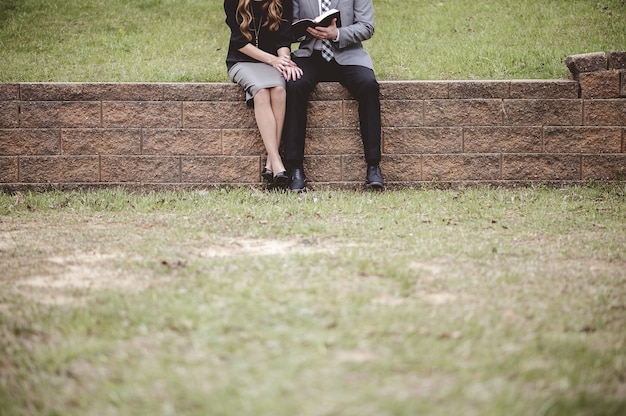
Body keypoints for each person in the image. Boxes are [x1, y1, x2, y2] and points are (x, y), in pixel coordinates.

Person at [282, 0, 384, 192]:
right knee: (294, 86)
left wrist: (336, 34)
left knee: (368, 85)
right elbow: (290, 28)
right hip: (310, 54)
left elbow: (367, 27)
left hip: (348, 55)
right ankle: (294, 168)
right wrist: (305, 30)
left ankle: (374, 166)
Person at [224, 0, 303, 187]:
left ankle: (270, 164)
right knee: (260, 92)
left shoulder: (283, 1)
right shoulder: (233, 1)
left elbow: (284, 39)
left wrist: (285, 61)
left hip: (273, 61)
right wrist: (273, 60)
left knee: (279, 91)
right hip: (241, 61)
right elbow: (239, 42)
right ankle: (276, 161)